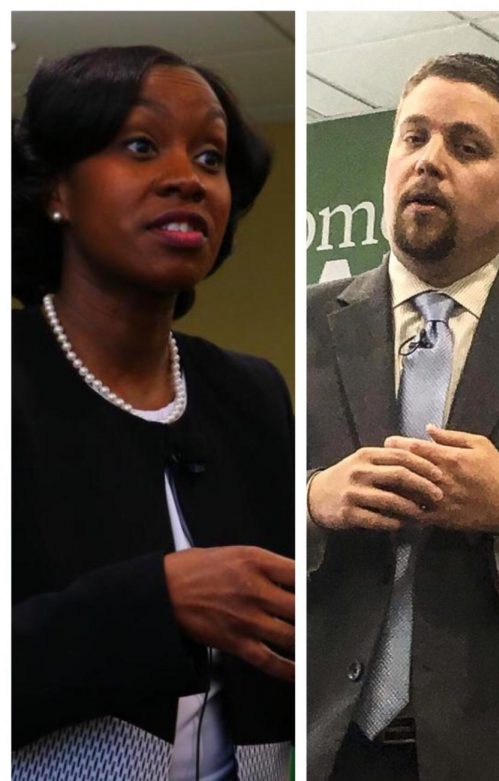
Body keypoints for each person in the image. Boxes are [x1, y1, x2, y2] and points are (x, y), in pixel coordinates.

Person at [12, 46, 294, 780]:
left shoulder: (253, 393)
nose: (187, 179)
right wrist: (155, 599)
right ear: (56, 190)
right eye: (141, 145)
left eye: (211, 158)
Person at [307, 53, 499, 781]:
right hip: (319, 743)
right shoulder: (301, 323)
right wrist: (310, 500)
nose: (429, 161)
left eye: (465, 146)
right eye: (413, 137)